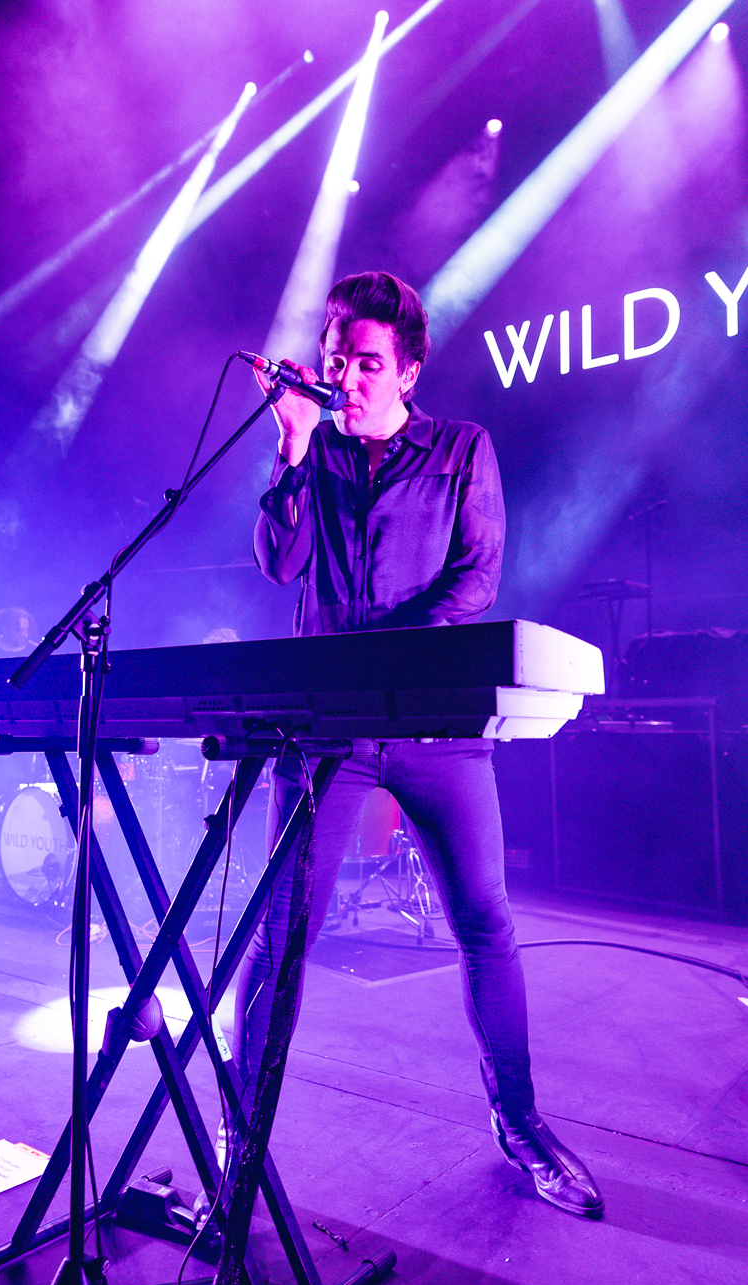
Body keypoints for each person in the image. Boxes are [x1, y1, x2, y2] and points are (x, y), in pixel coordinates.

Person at [239, 271, 603, 1219]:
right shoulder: (310, 455)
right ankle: (238, 1144)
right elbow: (278, 563)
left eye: (365, 364)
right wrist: (289, 443)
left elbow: (475, 582)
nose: (345, 379)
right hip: (327, 730)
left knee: (485, 924)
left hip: (436, 726)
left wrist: (378, 663)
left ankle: (518, 1122)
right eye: (335, 362)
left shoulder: (458, 449)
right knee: (280, 935)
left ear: (406, 370)